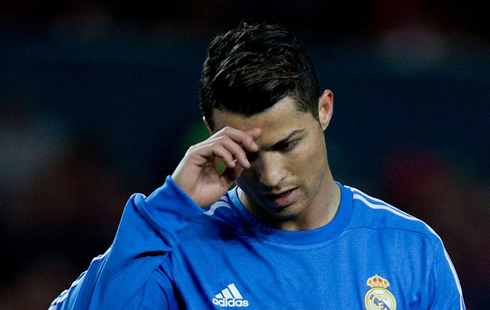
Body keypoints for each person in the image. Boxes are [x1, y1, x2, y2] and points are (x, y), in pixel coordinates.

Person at [50, 23, 465, 309]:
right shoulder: (177, 247)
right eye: (248, 152)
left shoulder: (411, 250)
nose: (271, 175)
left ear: (323, 110)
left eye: (287, 144)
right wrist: (165, 210)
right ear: (212, 134)